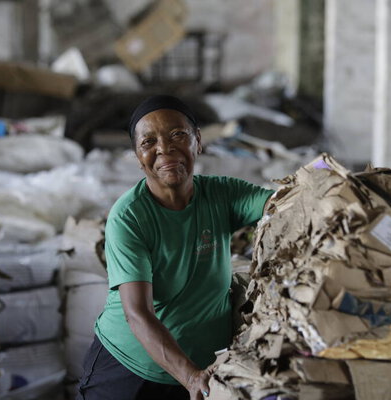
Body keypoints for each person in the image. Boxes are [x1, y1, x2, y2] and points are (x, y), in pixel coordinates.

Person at [76, 95, 274, 400]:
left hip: (198, 369)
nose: (164, 148)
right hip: (130, 371)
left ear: (198, 141)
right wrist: (190, 376)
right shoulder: (129, 217)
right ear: (137, 155)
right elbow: (138, 313)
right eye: (148, 142)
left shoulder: (221, 195)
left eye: (177, 135)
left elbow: (283, 204)